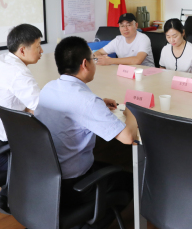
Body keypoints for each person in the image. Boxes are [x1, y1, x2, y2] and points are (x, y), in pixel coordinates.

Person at [35, 36, 137, 227]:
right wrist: (132, 113)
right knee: (130, 180)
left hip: (46, 179)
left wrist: (98, 104)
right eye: (93, 58)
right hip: (74, 186)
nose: (94, 62)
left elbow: (74, 104)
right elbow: (128, 137)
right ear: (84, 64)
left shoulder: (49, 87)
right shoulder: (87, 102)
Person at [0, 24, 43, 214]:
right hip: (1, 154)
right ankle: (14, 199)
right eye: (38, 46)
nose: (41, 51)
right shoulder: (18, 73)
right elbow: (42, 109)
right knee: (55, 150)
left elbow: (32, 105)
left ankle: (7, 195)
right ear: (22, 50)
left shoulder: (4, 60)